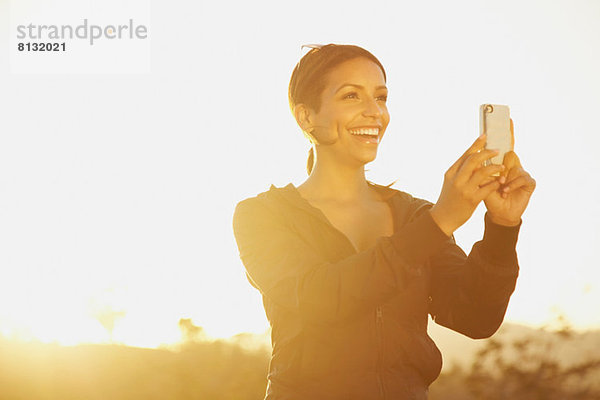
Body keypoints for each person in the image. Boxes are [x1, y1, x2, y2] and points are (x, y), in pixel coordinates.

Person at [232, 44, 535, 400]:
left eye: (381, 97)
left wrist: (502, 226)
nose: (374, 112)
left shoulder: (413, 215)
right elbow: (322, 298)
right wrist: (440, 222)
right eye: (351, 96)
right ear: (306, 116)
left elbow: (475, 316)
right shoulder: (264, 215)